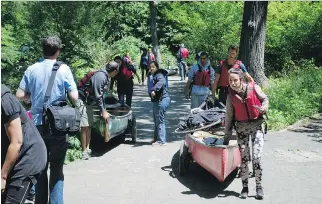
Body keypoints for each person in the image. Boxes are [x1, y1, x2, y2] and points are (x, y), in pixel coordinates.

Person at [16, 35, 79, 204]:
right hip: (58, 126)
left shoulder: (31, 69)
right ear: (57, 52)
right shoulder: (64, 69)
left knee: (40, 170)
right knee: (57, 168)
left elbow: (19, 95)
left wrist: (33, 97)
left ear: (43, 50)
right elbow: (74, 96)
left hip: (36, 126)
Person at [223, 68, 268, 200]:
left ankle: (259, 186)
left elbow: (265, 99)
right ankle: (245, 187)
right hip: (242, 129)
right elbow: (229, 117)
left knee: (256, 157)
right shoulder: (230, 96)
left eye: (235, 80)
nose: (232, 83)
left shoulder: (254, 88)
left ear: (241, 79)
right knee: (244, 159)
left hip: (257, 126)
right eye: (230, 80)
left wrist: (264, 107)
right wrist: (226, 137)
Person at [1, 84, 47, 204]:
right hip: (11, 159)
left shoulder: (4, 101)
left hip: (28, 157)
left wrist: (2, 176)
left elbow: (17, 142)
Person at [76, 61, 120, 160]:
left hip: (89, 101)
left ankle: (87, 148)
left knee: (90, 124)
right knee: (85, 125)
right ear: (114, 71)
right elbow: (98, 95)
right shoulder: (101, 76)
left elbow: (101, 96)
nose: (116, 74)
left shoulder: (105, 76)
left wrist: (103, 110)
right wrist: (103, 112)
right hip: (82, 99)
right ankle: (83, 151)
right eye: (116, 72)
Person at [149, 61, 171, 146]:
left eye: (153, 67)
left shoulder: (159, 75)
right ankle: (156, 139)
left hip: (163, 100)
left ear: (157, 67)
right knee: (156, 120)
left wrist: (154, 89)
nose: (151, 68)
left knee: (159, 120)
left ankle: (161, 141)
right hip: (157, 101)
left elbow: (162, 82)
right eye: (150, 67)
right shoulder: (153, 75)